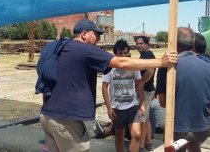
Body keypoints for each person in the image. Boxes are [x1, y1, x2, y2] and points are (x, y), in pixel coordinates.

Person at [40, 19, 177, 152]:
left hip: (47, 116)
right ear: (84, 34)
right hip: (66, 120)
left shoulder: (59, 47)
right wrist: (160, 61)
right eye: (96, 35)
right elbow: (122, 63)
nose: (98, 39)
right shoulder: (85, 49)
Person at [156, 27, 210, 152]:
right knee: (194, 146)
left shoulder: (168, 68)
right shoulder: (209, 67)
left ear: (174, 43)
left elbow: (163, 102)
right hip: (204, 128)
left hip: (179, 129)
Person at [102, 39, 146, 152]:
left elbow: (139, 84)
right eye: (120, 53)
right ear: (115, 54)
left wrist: (142, 103)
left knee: (136, 134)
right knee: (119, 136)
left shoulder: (133, 66)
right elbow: (104, 87)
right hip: (117, 108)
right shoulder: (110, 68)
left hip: (133, 105)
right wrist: (109, 107)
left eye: (125, 52)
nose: (123, 55)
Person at [136, 35, 156, 152]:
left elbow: (150, 70)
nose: (138, 45)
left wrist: (141, 83)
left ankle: (141, 146)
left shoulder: (148, 55)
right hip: (148, 89)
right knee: (146, 117)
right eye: (137, 43)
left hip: (146, 90)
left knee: (142, 119)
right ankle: (148, 143)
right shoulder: (145, 55)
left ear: (147, 44)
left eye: (141, 43)